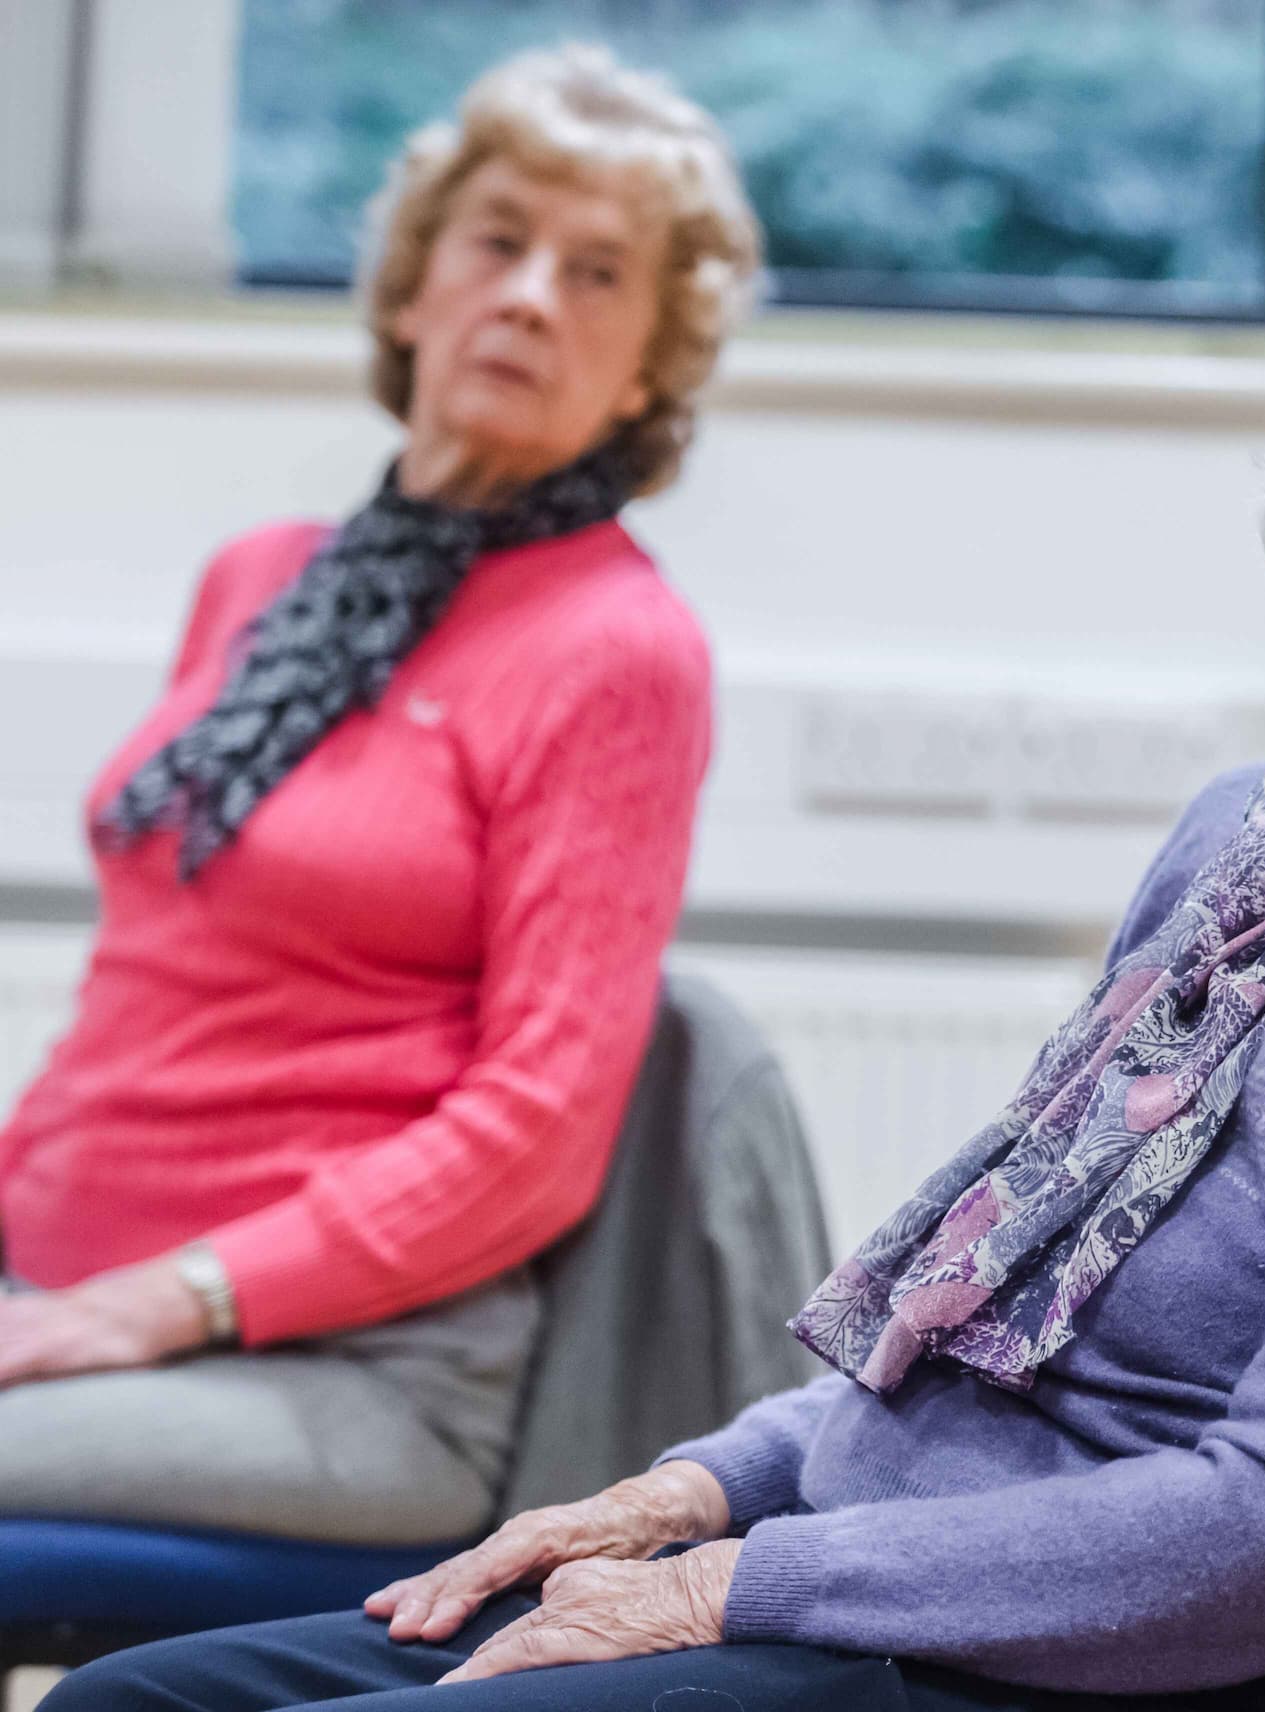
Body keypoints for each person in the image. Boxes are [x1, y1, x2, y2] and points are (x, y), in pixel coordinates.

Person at [48, 272, 1265, 1710]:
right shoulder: (1254, 841)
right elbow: (966, 1328)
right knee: (140, 1700)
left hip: (1101, 1665)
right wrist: (684, 1495)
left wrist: (743, 1582)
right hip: (897, 1577)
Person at [0, 45, 760, 1547]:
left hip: (358, 1376)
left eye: (598, 273)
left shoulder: (617, 650)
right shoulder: (262, 579)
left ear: (653, 369)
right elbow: (168, 989)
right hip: (68, 1291)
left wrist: (159, 1304)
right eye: (498, 241)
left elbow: (536, 1130)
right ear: (415, 287)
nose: (533, 293)